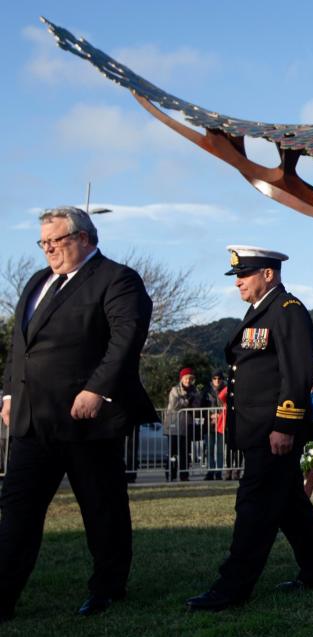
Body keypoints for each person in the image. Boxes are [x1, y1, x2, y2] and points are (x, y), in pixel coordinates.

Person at [0, 206, 154, 621]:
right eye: (43, 242)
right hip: (34, 421)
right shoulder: (37, 282)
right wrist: (10, 394)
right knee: (16, 509)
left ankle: (108, 586)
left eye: (56, 241)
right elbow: (22, 345)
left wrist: (96, 389)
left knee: (101, 509)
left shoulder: (116, 279)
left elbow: (125, 339)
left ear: (84, 238)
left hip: (87, 420)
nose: (48, 249)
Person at [186, 246, 313, 611]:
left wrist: (284, 424)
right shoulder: (259, 313)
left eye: (244, 274)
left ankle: (232, 586)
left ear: (268, 274)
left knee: (253, 505)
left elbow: (297, 372)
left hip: (274, 431)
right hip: (257, 429)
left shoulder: (288, 312)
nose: (237, 282)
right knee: (289, 505)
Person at [165, 367, 205, 481]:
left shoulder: (195, 391)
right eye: (186, 378)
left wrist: (193, 402)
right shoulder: (175, 390)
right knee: (172, 452)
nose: (188, 381)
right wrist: (187, 401)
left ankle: (184, 475)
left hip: (186, 426)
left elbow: (197, 406)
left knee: (185, 452)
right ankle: (170, 474)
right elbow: (174, 404)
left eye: (190, 378)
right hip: (173, 426)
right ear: (182, 379)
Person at [204, 370, 227, 480]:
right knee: (209, 449)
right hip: (209, 425)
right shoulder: (206, 391)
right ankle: (210, 471)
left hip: (222, 424)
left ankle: (218, 472)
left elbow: (228, 405)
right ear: (211, 379)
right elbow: (201, 407)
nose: (217, 380)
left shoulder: (226, 389)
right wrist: (209, 415)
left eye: (219, 378)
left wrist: (219, 415)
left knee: (220, 450)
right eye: (214, 378)